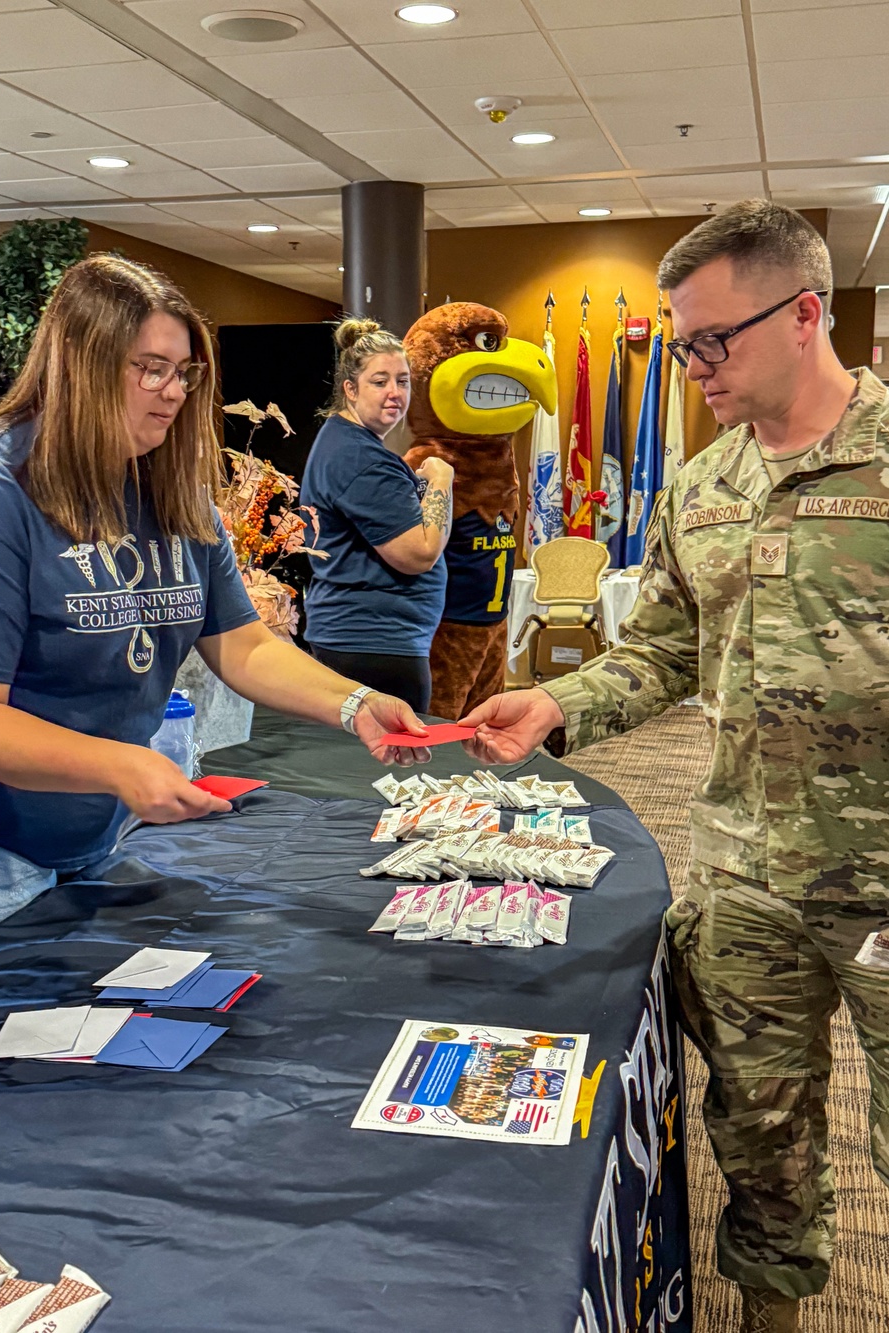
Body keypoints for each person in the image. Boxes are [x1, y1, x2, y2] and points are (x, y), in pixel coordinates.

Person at [458, 201, 889, 1333]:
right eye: (679, 342)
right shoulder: (703, 488)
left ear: (805, 315)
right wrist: (553, 700)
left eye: (712, 340)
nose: (690, 364)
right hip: (747, 878)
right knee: (759, 1140)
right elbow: (656, 652)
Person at [0, 256, 431, 968]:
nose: (174, 392)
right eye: (152, 368)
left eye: (185, 373)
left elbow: (241, 643)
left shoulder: (169, 488)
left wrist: (353, 700)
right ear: (80, 364)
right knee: (1, 1050)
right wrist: (120, 765)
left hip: (103, 823)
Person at [299, 318, 454, 712]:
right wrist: (440, 479)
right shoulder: (360, 457)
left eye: (402, 381)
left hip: (372, 641)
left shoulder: (348, 443)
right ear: (350, 389)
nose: (394, 393)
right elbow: (419, 554)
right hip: (373, 645)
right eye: (379, 381)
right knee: (388, 766)